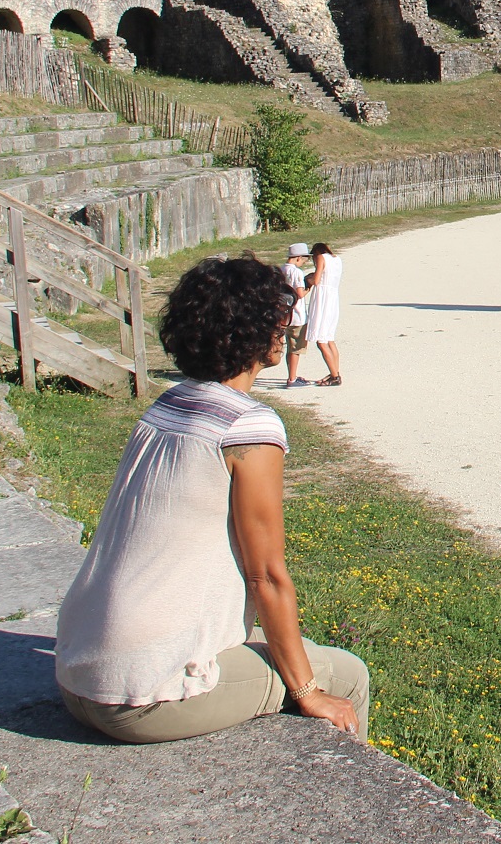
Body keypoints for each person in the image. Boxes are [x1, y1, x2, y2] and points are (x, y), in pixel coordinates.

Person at [54, 254, 368, 745]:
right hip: (140, 695)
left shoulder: (168, 404)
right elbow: (266, 576)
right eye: (278, 320)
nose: (283, 329)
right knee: (347, 674)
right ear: (257, 332)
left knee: (288, 648)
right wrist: (308, 692)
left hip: (77, 671)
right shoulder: (247, 425)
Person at [306, 243, 343, 385]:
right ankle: (335, 372)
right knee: (329, 338)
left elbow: (316, 280)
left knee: (321, 340)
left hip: (323, 299)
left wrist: (307, 279)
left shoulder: (321, 257)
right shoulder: (337, 259)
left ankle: (334, 376)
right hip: (333, 298)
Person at [280, 243, 312, 387]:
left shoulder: (282, 269)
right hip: (297, 315)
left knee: (289, 346)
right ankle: (292, 378)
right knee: (295, 349)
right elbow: (299, 294)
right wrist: (308, 288)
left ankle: (291, 375)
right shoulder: (296, 272)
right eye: (303, 260)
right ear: (298, 258)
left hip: (284, 315)